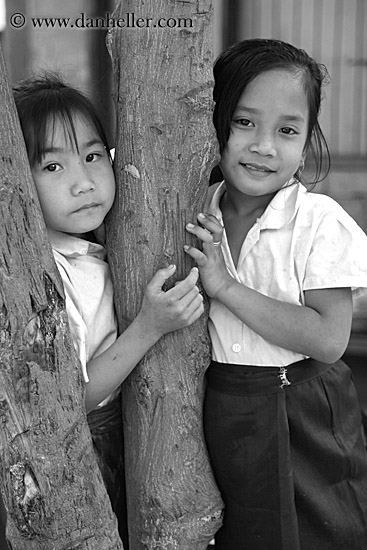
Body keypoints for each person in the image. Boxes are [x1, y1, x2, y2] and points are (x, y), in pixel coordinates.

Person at [184, 39, 367, 550]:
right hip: (221, 410)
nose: (263, 145)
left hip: (303, 412)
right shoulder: (194, 211)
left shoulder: (319, 222)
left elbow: (329, 339)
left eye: (287, 130)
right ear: (214, 122)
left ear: (307, 141)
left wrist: (225, 287)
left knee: (321, 534)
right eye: (244, 123)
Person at [13, 73, 204, 548]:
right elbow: (68, 400)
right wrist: (148, 327)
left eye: (93, 157)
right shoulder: (40, 275)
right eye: (52, 168)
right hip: (83, 460)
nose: (84, 183)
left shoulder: (91, 246)